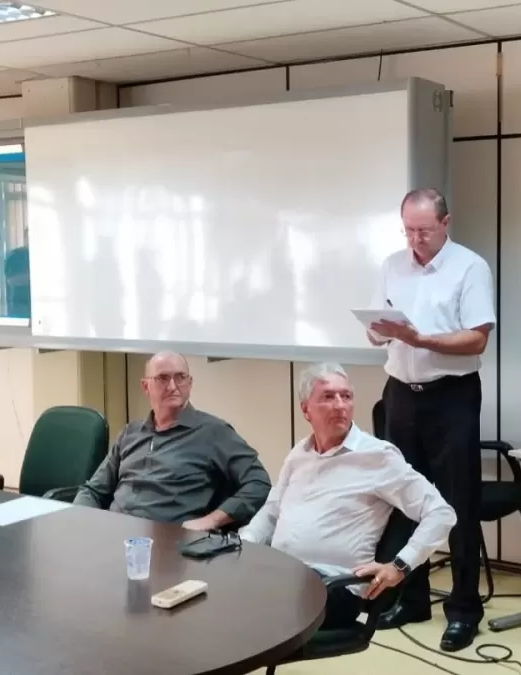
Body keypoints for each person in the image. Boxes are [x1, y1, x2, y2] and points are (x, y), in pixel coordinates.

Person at [366, 188, 495, 651]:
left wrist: (420, 339)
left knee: (457, 504)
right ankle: (412, 599)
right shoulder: (391, 265)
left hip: (451, 396)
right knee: (405, 502)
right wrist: (379, 332)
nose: (415, 239)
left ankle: (463, 610)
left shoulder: (470, 267)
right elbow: (377, 329)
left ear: (445, 222)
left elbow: (477, 339)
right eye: (408, 230)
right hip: (401, 394)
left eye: (423, 230)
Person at [240, 363, 455, 631]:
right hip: (283, 575)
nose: (340, 405)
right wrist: (244, 544)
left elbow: (441, 513)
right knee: (213, 590)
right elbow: (272, 512)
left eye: (346, 396)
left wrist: (400, 566)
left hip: (333, 587)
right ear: (306, 410)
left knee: (243, 612)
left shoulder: (377, 457)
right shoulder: (300, 454)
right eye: (328, 397)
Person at [73, 351, 271, 530]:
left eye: (180, 377)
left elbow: (258, 482)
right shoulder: (130, 433)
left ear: (190, 383)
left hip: (169, 544)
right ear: (145, 386)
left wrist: (211, 520)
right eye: (163, 378)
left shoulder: (214, 432)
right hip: (114, 535)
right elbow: (93, 491)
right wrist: (77, 522)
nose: (173, 386)